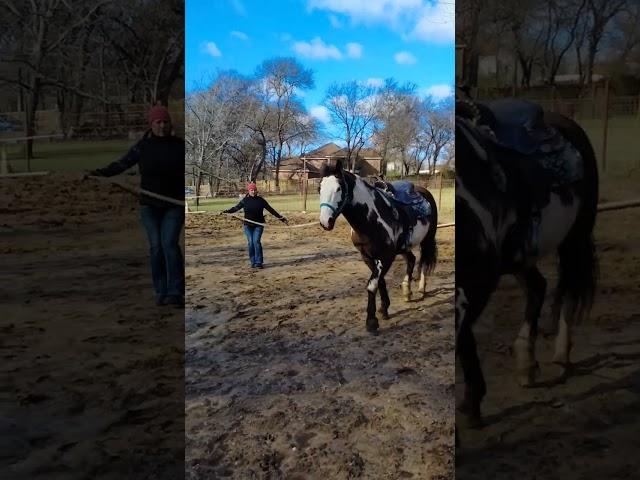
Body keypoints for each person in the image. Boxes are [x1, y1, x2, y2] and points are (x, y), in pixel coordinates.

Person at [88, 105, 185, 306]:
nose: (162, 126)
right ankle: (160, 290)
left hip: (173, 206)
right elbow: (122, 164)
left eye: (165, 122)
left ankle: (175, 291)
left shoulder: (179, 146)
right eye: (158, 122)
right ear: (151, 124)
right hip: (149, 206)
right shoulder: (143, 147)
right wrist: (99, 173)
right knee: (156, 247)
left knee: (169, 244)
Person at [222, 183, 288, 268]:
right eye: (251, 190)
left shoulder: (261, 200)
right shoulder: (245, 200)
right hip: (248, 225)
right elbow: (236, 208)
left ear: (257, 190)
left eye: (254, 190)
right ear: (248, 191)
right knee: (250, 243)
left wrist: (281, 218)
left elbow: (271, 210)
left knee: (256, 242)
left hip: (258, 225)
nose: (253, 191)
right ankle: (253, 262)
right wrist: (226, 211)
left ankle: (258, 262)